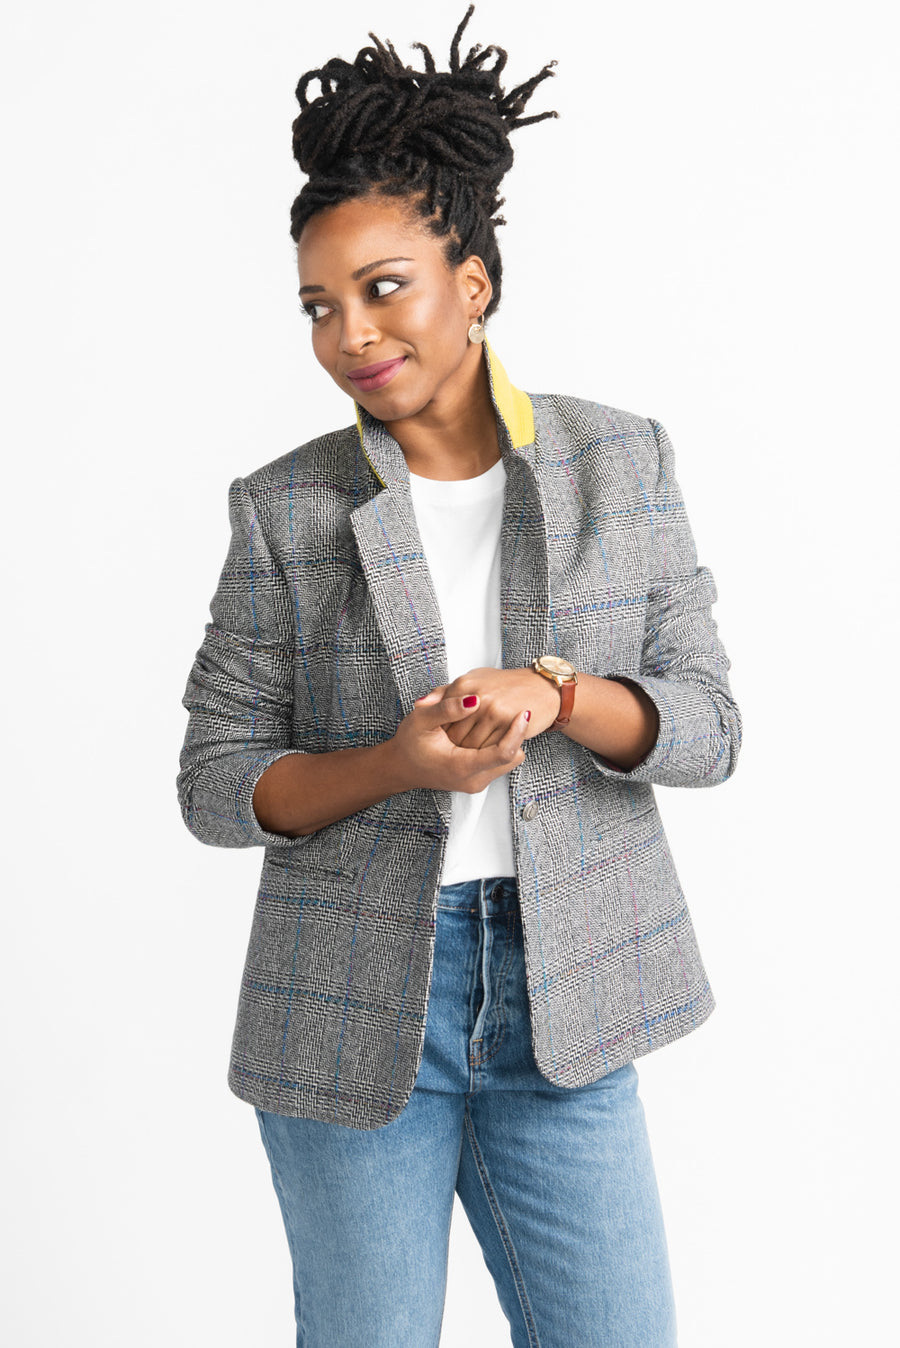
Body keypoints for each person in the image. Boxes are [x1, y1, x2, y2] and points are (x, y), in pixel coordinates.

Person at [177, 8, 742, 1345]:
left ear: (472, 282)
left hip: (569, 1002)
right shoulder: (285, 507)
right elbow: (217, 783)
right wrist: (397, 763)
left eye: (385, 287)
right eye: (320, 306)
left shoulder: (619, 462)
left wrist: (563, 695)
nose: (351, 332)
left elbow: (710, 726)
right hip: (353, 1011)